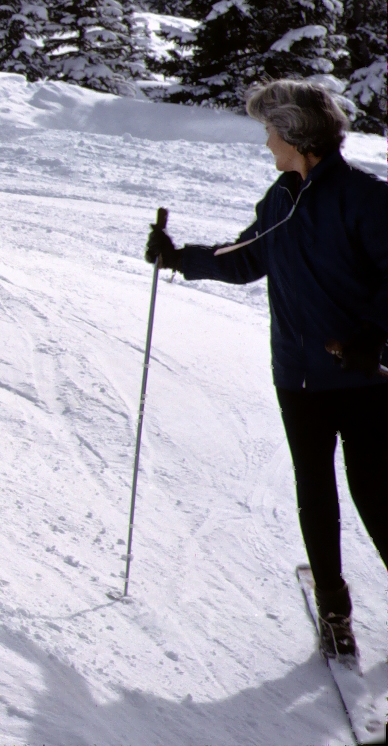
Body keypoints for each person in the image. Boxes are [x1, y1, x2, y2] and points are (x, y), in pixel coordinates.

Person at [145, 79, 388, 663]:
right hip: (298, 378)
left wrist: (373, 336)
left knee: (377, 494)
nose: (266, 142)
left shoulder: (365, 198)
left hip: (362, 378)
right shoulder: (281, 199)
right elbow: (248, 256)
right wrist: (179, 258)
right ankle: (334, 611)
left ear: (296, 133)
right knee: (315, 491)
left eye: (269, 131)